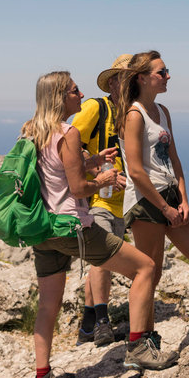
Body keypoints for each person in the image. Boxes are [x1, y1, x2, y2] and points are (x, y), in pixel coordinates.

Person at [22, 71, 178, 378]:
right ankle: (137, 347)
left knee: (48, 305)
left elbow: (55, 173)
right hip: (72, 227)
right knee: (145, 267)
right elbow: (78, 186)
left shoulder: (31, 130)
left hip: (42, 230)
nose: (81, 95)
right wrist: (103, 180)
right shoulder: (68, 132)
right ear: (61, 97)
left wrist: (93, 160)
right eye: (75, 91)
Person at [116, 51, 189, 337]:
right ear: (142, 78)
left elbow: (174, 158)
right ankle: (144, 340)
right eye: (161, 72)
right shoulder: (133, 115)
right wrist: (165, 208)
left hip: (170, 197)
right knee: (151, 275)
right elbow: (137, 172)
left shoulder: (162, 111)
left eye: (167, 71)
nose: (168, 76)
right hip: (147, 202)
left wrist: (184, 200)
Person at [70, 54, 131, 346]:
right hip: (99, 199)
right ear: (113, 82)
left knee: (100, 260)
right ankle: (104, 323)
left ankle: (87, 326)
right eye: (127, 77)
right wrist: (99, 171)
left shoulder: (134, 112)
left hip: (125, 203)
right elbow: (69, 146)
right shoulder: (97, 107)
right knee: (103, 257)